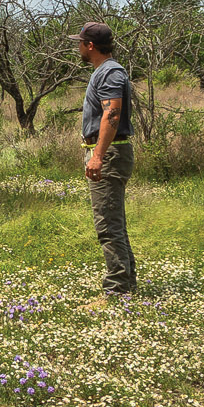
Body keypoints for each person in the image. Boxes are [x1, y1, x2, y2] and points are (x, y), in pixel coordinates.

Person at [72, 21, 136, 303]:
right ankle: (126, 283)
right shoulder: (104, 71)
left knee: (108, 225)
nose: (78, 47)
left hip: (110, 155)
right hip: (108, 152)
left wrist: (97, 155)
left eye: (80, 42)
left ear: (90, 46)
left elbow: (112, 114)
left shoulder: (110, 73)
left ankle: (118, 290)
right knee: (113, 222)